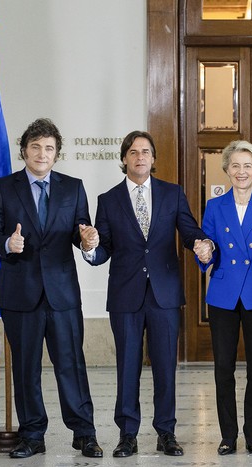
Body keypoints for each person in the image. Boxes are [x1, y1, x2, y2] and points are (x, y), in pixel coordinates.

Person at [81, 130, 213, 458]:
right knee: (127, 367)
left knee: (165, 367)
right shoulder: (109, 200)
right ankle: (128, 434)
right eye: (134, 152)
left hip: (164, 294)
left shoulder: (172, 194)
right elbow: (103, 248)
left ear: (153, 159)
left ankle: (166, 433)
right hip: (126, 296)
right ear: (124, 158)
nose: (140, 157)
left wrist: (201, 243)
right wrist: (90, 247)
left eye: (146, 152)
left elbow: (190, 231)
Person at [0, 118, 102, 459]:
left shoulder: (73, 187)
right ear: (24, 151)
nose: (42, 153)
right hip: (20, 295)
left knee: (71, 365)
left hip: (62, 295)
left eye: (49, 148)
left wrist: (88, 239)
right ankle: (32, 435)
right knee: (26, 368)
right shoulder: (2, 188)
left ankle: (85, 433)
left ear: (57, 154)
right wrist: (7, 243)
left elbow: (82, 233)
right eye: (36, 147)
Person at [196, 140, 252, 456]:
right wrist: (204, 252)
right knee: (223, 368)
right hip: (223, 295)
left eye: (248, 165)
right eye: (235, 165)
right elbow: (208, 248)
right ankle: (227, 435)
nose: (241, 171)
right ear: (227, 170)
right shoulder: (214, 206)